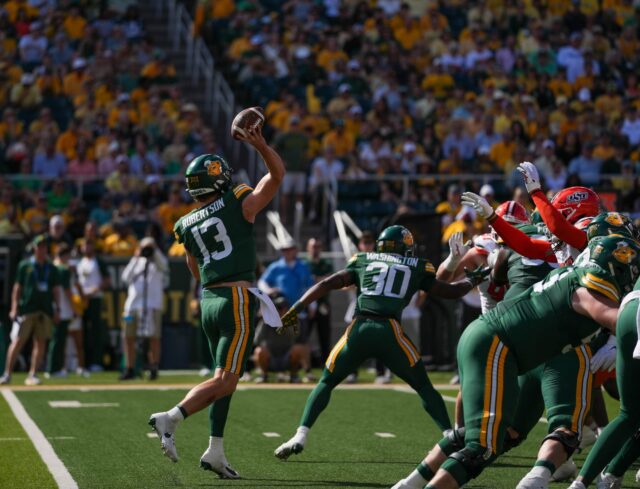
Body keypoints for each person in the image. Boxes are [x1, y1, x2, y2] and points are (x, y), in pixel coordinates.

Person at [391, 234, 639, 489]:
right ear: (616, 267)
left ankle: (409, 484)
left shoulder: (574, 275)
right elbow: (620, 319)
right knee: (482, 447)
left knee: (493, 434)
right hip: (497, 346)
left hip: (496, 344)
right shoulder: (586, 290)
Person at [273, 225, 488, 460]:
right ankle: (450, 436)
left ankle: (300, 435)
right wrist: (471, 281)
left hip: (359, 330)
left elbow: (326, 284)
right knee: (424, 387)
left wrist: (296, 308)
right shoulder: (416, 265)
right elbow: (448, 291)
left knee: (326, 381)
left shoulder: (362, 259)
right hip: (390, 332)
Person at [148, 122, 285, 479]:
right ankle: (172, 417)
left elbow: (193, 266)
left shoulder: (186, 222)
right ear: (218, 179)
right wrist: (261, 146)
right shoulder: (237, 197)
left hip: (209, 298)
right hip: (236, 296)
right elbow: (277, 176)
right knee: (226, 379)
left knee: (223, 378)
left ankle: (216, 451)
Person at [1, 235, 61, 385]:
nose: (41, 249)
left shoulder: (51, 268)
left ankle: (33, 373)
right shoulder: (25, 266)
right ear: (34, 248)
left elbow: (55, 290)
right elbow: (17, 288)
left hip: (45, 309)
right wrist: (14, 308)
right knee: (18, 340)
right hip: (27, 308)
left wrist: (58, 309)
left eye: (44, 247)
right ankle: (7, 373)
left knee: (40, 342)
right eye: (39, 246)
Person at [258, 238, 315, 380]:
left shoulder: (303, 267)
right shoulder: (276, 267)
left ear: (295, 250)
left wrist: (313, 305)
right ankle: (274, 372)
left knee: (301, 343)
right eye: (284, 250)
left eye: (290, 249)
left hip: (298, 312)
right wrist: (269, 290)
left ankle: (305, 372)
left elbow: (310, 287)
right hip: (278, 313)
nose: (287, 252)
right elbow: (262, 282)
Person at [120, 237, 168, 380]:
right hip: (131, 306)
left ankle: (153, 366)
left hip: (152, 306)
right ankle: (129, 368)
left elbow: (164, 266)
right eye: (144, 247)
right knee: (127, 336)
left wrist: (154, 250)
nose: (147, 249)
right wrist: (136, 257)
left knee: (154, 337)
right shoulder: (136, 261)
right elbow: (125, 277)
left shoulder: (158, 262)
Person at [253, 294, 307, 383]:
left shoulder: (293, 320)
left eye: (283, 308)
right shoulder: (266, 321)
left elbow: (296, 337)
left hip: (286, 357)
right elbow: (256, 340)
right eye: (278, 308)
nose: (280, 311)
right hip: (270, 358)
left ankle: (294, 376)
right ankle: (264, 375)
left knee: (299, 349)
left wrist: (284, 323)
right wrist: (265, 322)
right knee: (259, 351)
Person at [76, 239, 111, 372]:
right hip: (82, 301)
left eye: (89, 244)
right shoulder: (80, 262)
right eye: (85, 244)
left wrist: (92, 292)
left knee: (96, 332)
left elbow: (107, 281)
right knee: (82, 332)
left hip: (95, 299)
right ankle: (83, 363)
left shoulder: (98, 261)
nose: (87, 247)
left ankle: (97, 362)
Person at [45, 243, 74, 378]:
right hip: (62, 309)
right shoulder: (62, 269)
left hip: (53, 307)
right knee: (58, 339)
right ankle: (53, 368)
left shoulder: (51, 267)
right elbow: (67, 292)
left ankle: (53, 367)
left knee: (55, 339)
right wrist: (73, 308)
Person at [304, 237, 333, 362]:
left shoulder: (326, 263)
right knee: (304, 336)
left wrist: (315, 279)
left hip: (322, 303)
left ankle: (326, 364)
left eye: (317, 246)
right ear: (308, 248)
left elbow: (330, 280)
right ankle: (305, 365)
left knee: (324, 336)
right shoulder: (304, 264)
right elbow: (304, 282)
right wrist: (320, 280)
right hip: (307, 304)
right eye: (313, 246)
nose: (315, 249)